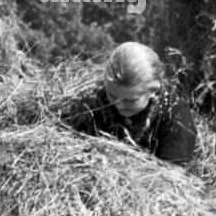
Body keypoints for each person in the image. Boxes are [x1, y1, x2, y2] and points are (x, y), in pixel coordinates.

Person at [62, 42, 198, 165]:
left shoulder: (175, 116)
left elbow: (173, 177)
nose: (118, 105)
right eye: (112, 95)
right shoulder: (91, 103)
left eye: (130, 100)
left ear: (153, 89)